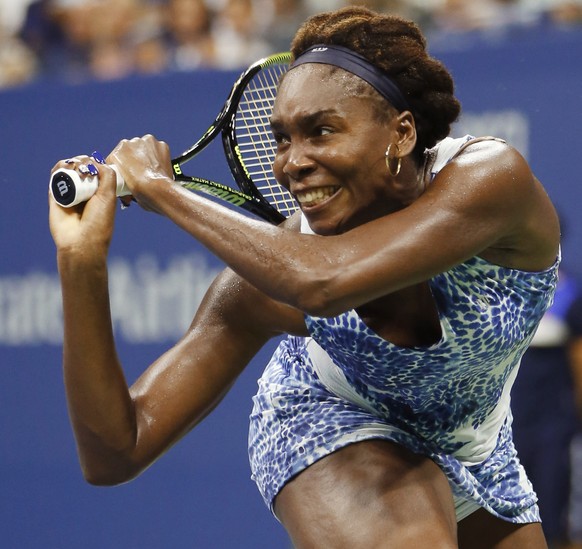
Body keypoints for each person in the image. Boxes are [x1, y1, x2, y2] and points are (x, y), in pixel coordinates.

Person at [48, 6, 560, 548]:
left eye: (321, 131)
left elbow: (324, 282)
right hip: (327, 420)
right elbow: (114, 452)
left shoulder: (492, 179)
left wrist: (166, 191)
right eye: (282, 138)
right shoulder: (264, 286)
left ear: (402, 132)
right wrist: (81, 262)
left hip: (476, 443)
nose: (293, 162)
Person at [511, 266, 582, 548]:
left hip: (552, 423)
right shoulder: (498, 290)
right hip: (506, 422)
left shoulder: (568, 296)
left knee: (550, 507)